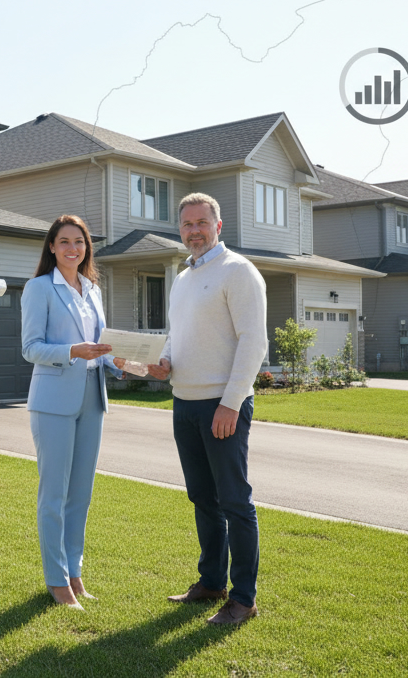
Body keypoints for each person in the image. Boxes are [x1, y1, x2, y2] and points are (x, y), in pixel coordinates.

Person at [147, 193, 268, 626]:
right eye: (186, 224)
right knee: (203, 497)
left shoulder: (238, 272)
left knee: (235, 500)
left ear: (219, 225)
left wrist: (231, 403)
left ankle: (243, 598)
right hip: (184, 402)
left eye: (201, 222)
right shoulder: (183, 277)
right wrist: (164, 360)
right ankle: (212, 581)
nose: (194, 230)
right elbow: (175, 335)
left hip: (223, 406)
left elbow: (254, 341)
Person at [21, 214, 125, 610]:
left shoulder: (93, 289)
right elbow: (30, 348)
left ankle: (74, 573)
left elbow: (102, 347)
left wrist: (125, 363)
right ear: (51, 247)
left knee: (80, 494)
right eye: (64, 242)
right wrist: (71, 351)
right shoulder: (39, 288)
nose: (72, 249)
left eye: (78, 242)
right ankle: (56, 580)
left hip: (91, 397)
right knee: (54, 494)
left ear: (87, 247)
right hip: (52, 401)